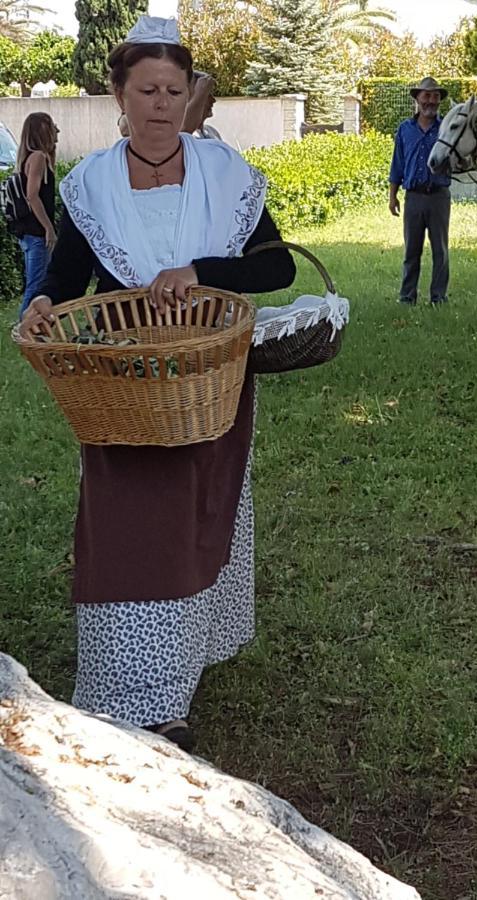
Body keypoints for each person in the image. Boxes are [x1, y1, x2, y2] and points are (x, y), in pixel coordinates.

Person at [19, 15, 295, 753]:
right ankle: (137, 692)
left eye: (175, 89)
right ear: (119, 93)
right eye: (147, 89)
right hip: (123, 386)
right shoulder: (93, 186)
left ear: (188, 95)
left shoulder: (224, 177)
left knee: (192, 518)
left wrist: (201, 271)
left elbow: (278, 267)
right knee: (127, 528)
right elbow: (68, 277)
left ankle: (180, 667)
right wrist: (46, 298)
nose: (162, 103)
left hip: (204, 385)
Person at [389, 76, 451, 306]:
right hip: (413, 197)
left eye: (435, 96)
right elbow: (397, 164)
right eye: (426, 95)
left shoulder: (446, 128)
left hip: (438, 197)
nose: (431, 101)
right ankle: (407, 297)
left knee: (440, 251)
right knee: (411, 251)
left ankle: (438, 297)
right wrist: (392, 195)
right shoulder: (405, 130)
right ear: (417, 99)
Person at [14, 112, 59, 316]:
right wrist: (48, 228)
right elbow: (32, 195)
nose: (56, 130)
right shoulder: (38, 157)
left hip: (29, 232)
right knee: (37, 284)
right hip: (36, 233)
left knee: (37, 281)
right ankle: (24, 327)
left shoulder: (34, 157)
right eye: (51, 126)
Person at [183, 70, 222, 139]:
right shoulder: (181, 136)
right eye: (207, 95)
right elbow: (183, 134)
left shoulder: (211, 131)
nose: (213, 100)